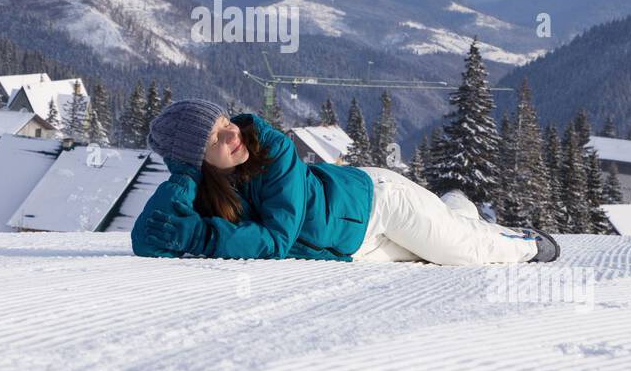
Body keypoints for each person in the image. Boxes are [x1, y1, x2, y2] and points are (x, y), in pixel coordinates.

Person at [130, 98, 559, 265]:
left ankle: (522, 241)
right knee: (431, 253)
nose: (232, 135)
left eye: (226, 122)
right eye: (214, 139)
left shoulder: (272, 149)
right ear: (196, 163)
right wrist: (184, 176)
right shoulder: (202, 181)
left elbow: (274, 242)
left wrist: (199, 236)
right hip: (353, 246)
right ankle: (455, 209)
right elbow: (147, 238)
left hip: (377, 204)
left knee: (465, 253)